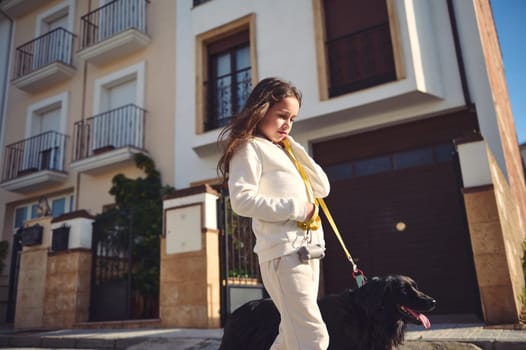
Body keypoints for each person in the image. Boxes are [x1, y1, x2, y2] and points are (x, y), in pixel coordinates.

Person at [217, 77, 331, 350]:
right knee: (314, 336)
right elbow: (242, 201)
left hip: (307, 251)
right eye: (281, 116)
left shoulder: (285, 150)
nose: (287, 125)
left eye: (292, 119)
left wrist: (293, 146)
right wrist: (297, 208)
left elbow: (323, 187)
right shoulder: (249, 147)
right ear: (260, 109)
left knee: (291, 335)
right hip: (282, 253)